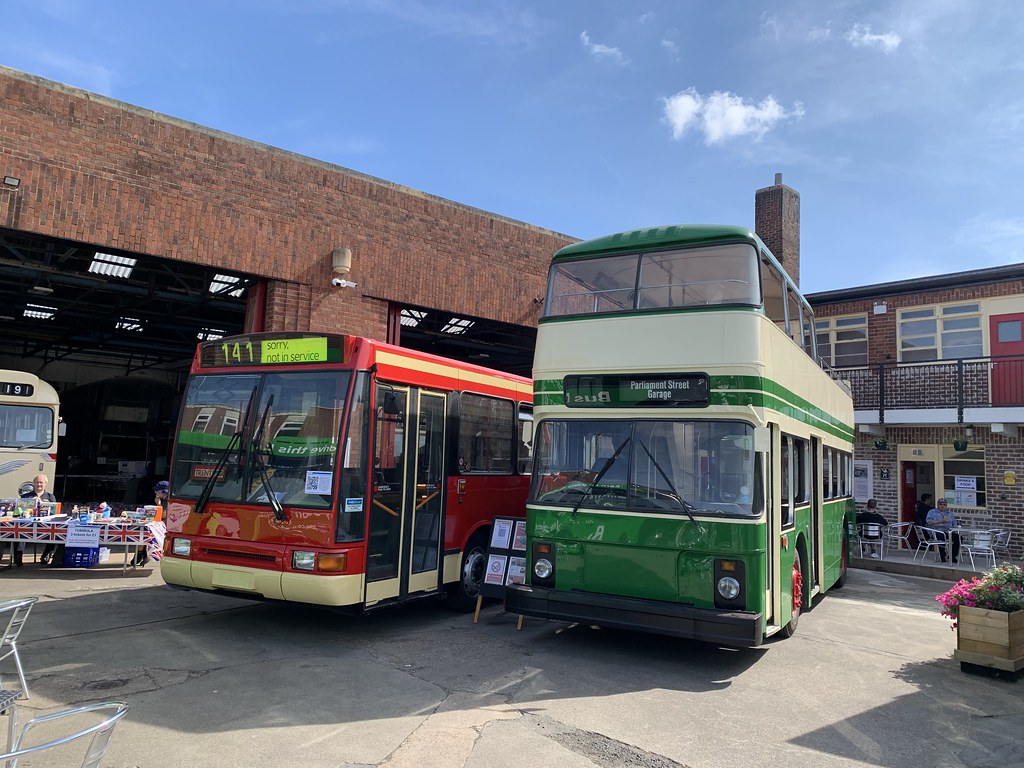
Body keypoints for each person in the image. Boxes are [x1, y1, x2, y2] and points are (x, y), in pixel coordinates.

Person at [16, 474, 58, 567]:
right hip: (28, 523)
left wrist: (43, 504)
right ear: (33, 483)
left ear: (45, 484)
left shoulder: (50, 497)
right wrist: (31, 502)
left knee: (54, 532)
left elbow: (55, 512)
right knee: (20, 531)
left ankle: (46, 555)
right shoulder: (26, 496)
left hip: (44, 524)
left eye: (41, 482)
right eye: (37, 482)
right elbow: (19, 511)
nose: (39, 484)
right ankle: (18, 555)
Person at [925, 498, 961, 564]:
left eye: (944, 505)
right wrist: (941, 521)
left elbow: (954, 522)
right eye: (940, 504)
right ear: (937, 505)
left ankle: (952, 556)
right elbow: (929, 522)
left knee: (958, 537)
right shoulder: (932, 512)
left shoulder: (949, 513)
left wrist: (955, 524)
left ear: (946, 506)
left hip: (947, 531)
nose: (942, 506)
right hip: (936, 531)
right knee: (941, 537)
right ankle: (942, 555)